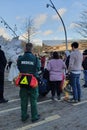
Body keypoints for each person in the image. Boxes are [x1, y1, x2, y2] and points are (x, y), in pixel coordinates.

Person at [17, 43, 41, 122]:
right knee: (33, 100)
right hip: (32, 82)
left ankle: (24, 116)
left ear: (25, 48)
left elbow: (19, 67)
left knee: (23, 100)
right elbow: (38, 68)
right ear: (32, 49)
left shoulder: (20, 58)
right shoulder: (36, 59)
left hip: (23, 82)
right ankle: (34, 116)